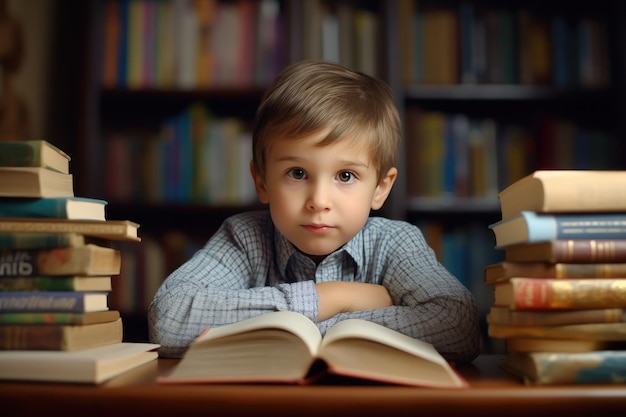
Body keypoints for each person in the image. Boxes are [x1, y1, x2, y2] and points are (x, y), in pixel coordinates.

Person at [148, 60, 481, 363]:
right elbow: (170, 318)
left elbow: (459, 325)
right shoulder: (244, 237)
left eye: (346, 176)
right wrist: (335, 297)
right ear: (262, 182)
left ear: (380, 187)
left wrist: (306, 330)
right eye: (297, 173)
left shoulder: (394, 243)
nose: (319, 200)